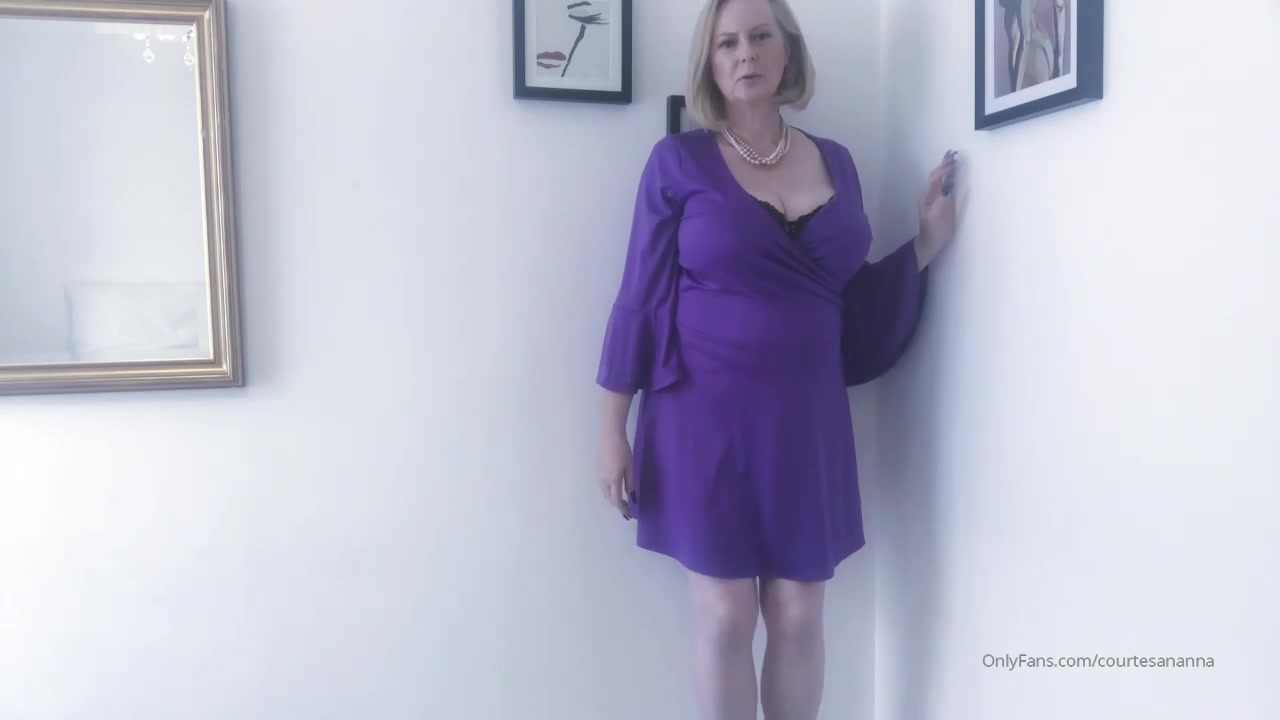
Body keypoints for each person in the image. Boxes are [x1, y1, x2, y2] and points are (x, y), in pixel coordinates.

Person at [593, 0, 961, 717]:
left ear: (787, 48)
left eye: (761, 36)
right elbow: (638, 297)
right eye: (727, 43)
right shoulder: (677, 162)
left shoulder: (839, 162)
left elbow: (846, 301)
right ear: (709, 62)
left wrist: (924, 245)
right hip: (702, 414)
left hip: (805, 419)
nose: (746, 54)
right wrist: (612, 428)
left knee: (798, 615)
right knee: (727, 616)